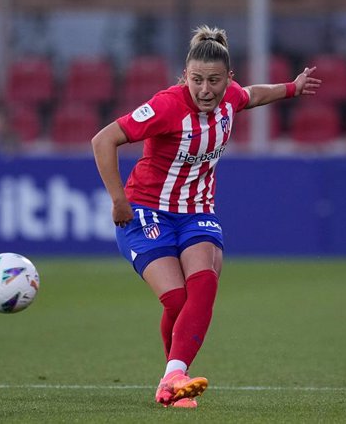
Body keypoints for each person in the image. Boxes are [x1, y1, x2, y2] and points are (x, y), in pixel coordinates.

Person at [91, 25, 321, 408]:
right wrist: (118, 200)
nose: (205, 90)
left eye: (214, 81)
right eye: (196, 80)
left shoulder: (230, 97)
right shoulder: (166, 105)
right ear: (185, 77)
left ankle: (172, 380)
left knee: (205, 281)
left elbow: (253, 95)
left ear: (227, 78)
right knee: (178, 300)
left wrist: (292, 87)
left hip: (197, 211)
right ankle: (174, 376)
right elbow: (103, 139)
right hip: (146, 210)